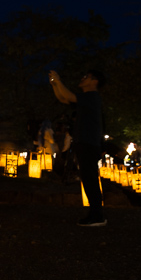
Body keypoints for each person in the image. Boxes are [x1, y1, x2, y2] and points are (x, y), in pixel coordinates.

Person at [49, 69, 107, 227]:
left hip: (89, 143)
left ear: (95, 81)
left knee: (90, 179)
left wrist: (58, 81)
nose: (82, 78)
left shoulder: (92, 96)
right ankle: (95, 213)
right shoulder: (87, 98)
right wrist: (55, 84)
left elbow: (67, 96)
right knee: (88, 178)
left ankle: (97, 215)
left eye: (86, 76)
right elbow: (63, 98)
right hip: (86, 142)